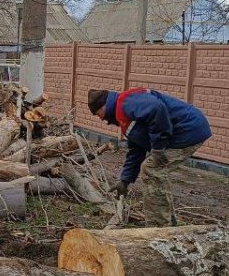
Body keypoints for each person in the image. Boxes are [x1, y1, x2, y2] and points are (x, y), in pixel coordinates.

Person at [88, 86, 212, 227]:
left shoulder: (126, 103)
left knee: (151, 169)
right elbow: (136, 149)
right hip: (186, 130)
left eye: (98, 114)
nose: (101, 119)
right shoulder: (123, 114)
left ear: (103, 107)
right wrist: (125, 180)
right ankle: (168, 223)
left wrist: (158, 147)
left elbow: (156, 108)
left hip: (189, 129)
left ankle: (158, 227)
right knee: (155, 171)